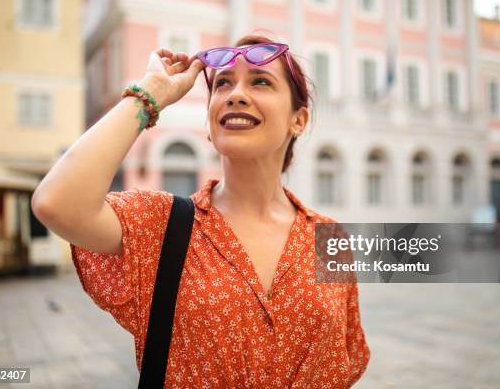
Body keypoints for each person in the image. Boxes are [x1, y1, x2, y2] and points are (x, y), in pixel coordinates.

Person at [31, 34, 371, 388]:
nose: (235, 94)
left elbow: (345, 362)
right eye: (222, 84)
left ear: (298, 120)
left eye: (260, 82)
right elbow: (56, 203)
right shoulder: (162, 224)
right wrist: (151, 94)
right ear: (210, 124)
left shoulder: (329, 237)